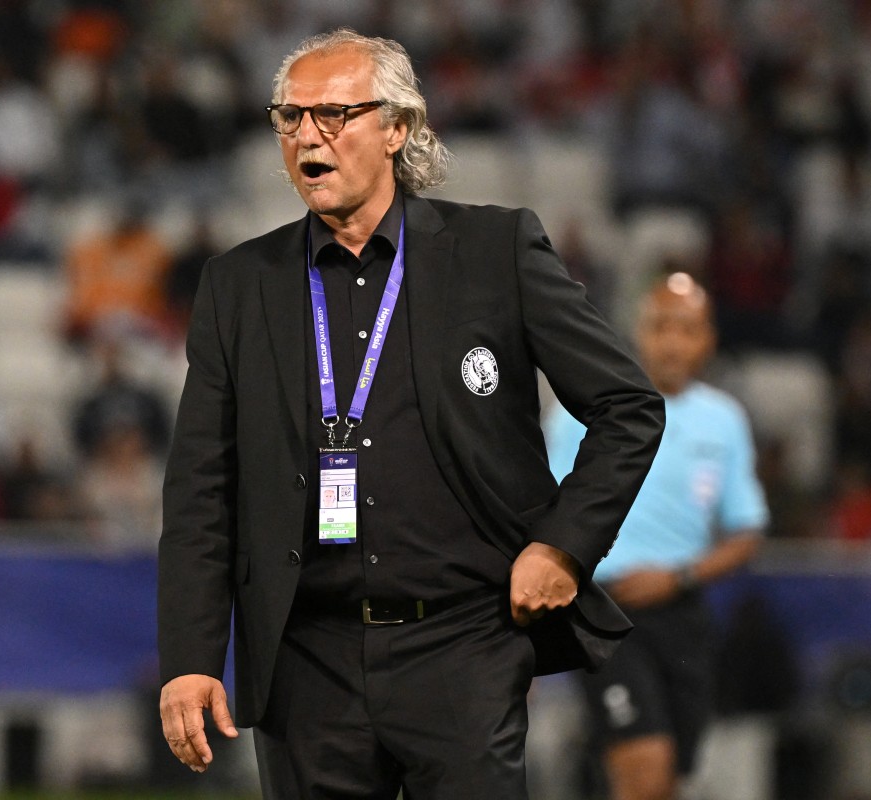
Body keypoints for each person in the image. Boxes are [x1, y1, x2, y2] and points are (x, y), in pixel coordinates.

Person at [157, 28, 665, 799]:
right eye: (290, 118)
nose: (306, 137)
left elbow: (628, 406)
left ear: (397, 128)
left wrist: (563, 548)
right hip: (306, 660)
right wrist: (191, 657)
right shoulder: (238, 285)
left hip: (464, 643)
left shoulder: (497, 251)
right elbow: (201, 489)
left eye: (333, 115)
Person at [543, 272, 767, 800]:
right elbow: (546, 511)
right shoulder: (587, 409)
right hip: (604, 613)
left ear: (708, 339)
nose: (672, 341)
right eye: (662, 326)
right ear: (639, 333)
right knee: (644, 768)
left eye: (686, 329)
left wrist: (678, 576)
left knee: (670, 778)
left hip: (684, 615)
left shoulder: (725, 421)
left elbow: (747, 531)